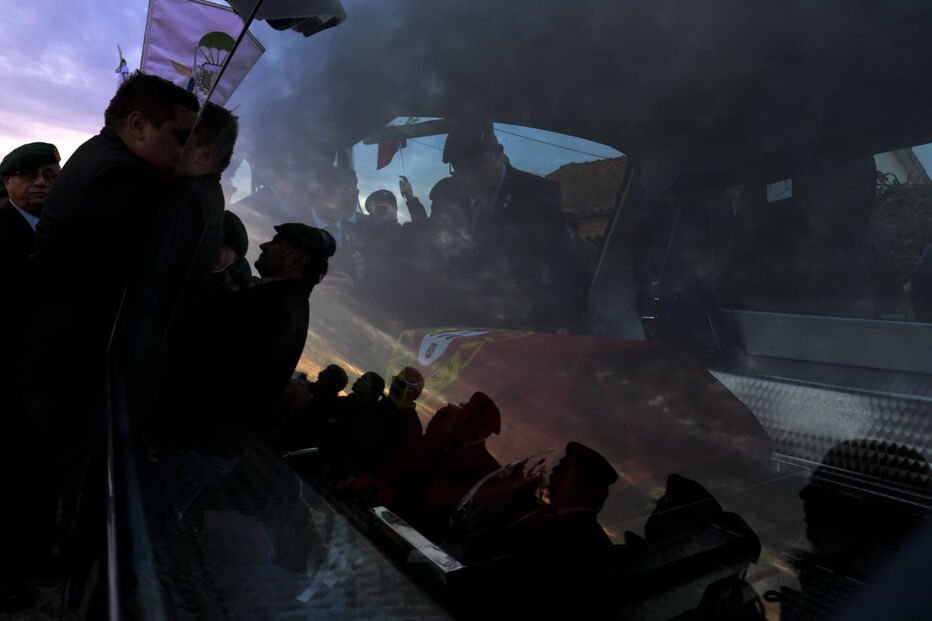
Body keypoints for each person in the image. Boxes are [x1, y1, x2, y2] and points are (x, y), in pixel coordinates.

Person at [16, 73, 198, 614]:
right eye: (179, 136)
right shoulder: (121, 179)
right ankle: (38, 578)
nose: (185, 152)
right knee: (45, 487)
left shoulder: (100, 160)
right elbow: (154, 275)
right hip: (67, 368)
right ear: (137, 125)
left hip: (53, 361)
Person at [441, 120, 580, 329]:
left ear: (498, 152)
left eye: (477, 165)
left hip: (529, 326)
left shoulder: (536, 193)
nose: (469, 178)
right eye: (459, 169)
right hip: (467, 327)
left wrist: (563, 324)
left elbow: (560, 266)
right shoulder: (449, 200)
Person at [0, 142, 60, 612]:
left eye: (49, 173)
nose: (39, 182)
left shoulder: (60, 236)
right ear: (8, 182)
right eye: (27, 173)